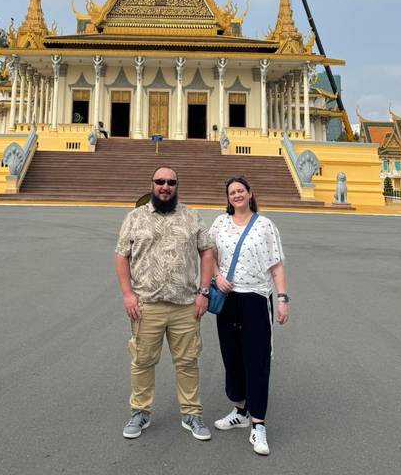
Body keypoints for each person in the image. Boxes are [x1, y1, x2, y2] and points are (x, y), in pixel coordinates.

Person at [115, 165, 213, 441]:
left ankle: (192, 413)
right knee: (142, 361)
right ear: (152, 184)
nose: (165, 186)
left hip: (185, 304)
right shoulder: (135, 217)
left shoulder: (191, 216)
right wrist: (127, 294)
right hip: (147, 303)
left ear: (177, 185)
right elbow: (122, 255)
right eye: (160, 181)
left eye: (171, 182)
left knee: (188, 361)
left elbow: (207, 252)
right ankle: (140, 412)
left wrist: (203, 291)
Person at [209, 175, 290, 455]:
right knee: (231, 356)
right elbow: (209, 256)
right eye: (232, 192)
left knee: (256, 360)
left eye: (241, 190)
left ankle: (258, 423)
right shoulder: (219, 223)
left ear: (250, 193)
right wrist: (217, 277)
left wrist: (282, 298)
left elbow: (276, 265)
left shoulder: (265, 226)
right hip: (227, 298)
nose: (237, 195)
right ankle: (240, 411)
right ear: (228, 197)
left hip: (255, 297)